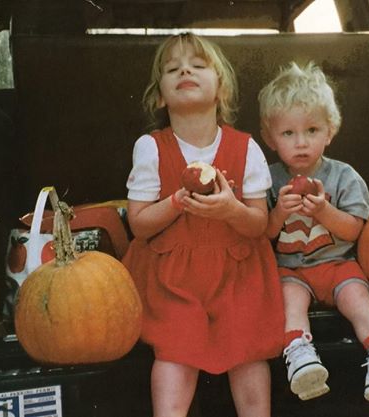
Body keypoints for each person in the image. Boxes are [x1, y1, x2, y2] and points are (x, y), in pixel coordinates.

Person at [122, 33, 284, 417]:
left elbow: (258, 223)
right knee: (175, 351)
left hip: (237, 270)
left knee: (248, 349)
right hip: (172, 275)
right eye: (172, 68)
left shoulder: (246, 148)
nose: (185, 71)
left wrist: (230, 210)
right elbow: (139, 224)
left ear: (220, 89)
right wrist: (177, 201)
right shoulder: (151, 147)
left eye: (197, 65)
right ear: (160, 96)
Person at [258, 62, 369, 405]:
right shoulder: (268, 180)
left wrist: (323, 211)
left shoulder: (344, 176)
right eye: (288, 134)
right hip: (291, 270)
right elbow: (264, 233)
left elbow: (355, 229)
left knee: (360, 301)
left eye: (312, 130)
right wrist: (280, 211)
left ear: (330, 132)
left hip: (338, 264)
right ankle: (300, 356)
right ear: (270, 139)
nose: (301, 142)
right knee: (289, 304)